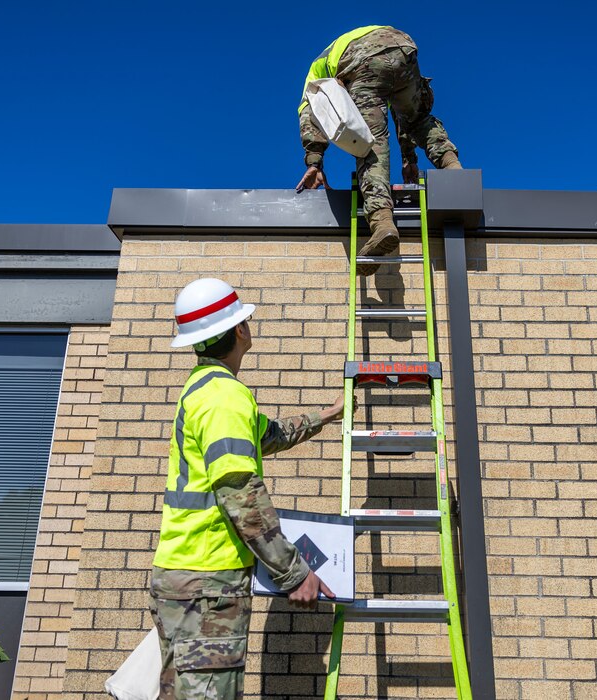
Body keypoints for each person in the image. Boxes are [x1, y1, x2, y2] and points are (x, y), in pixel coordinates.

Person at [150, 277, 350, 699]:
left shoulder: (204, 390)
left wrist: (327, 415)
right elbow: (239, 491)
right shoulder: (224, 397)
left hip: (191, 577)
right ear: (240, 329)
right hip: (207, 582)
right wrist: (293, 573)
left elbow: (268, 435)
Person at [295, 25, 462, 275]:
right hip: (403, 48)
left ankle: (382, 222)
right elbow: (403, 115)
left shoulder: (315, 75)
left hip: (361, 57)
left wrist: (314, 162)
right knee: (417, 118)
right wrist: (409, 159)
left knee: (371, 143)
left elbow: (310, 113)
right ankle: (453, 169)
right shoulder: (354, 48)